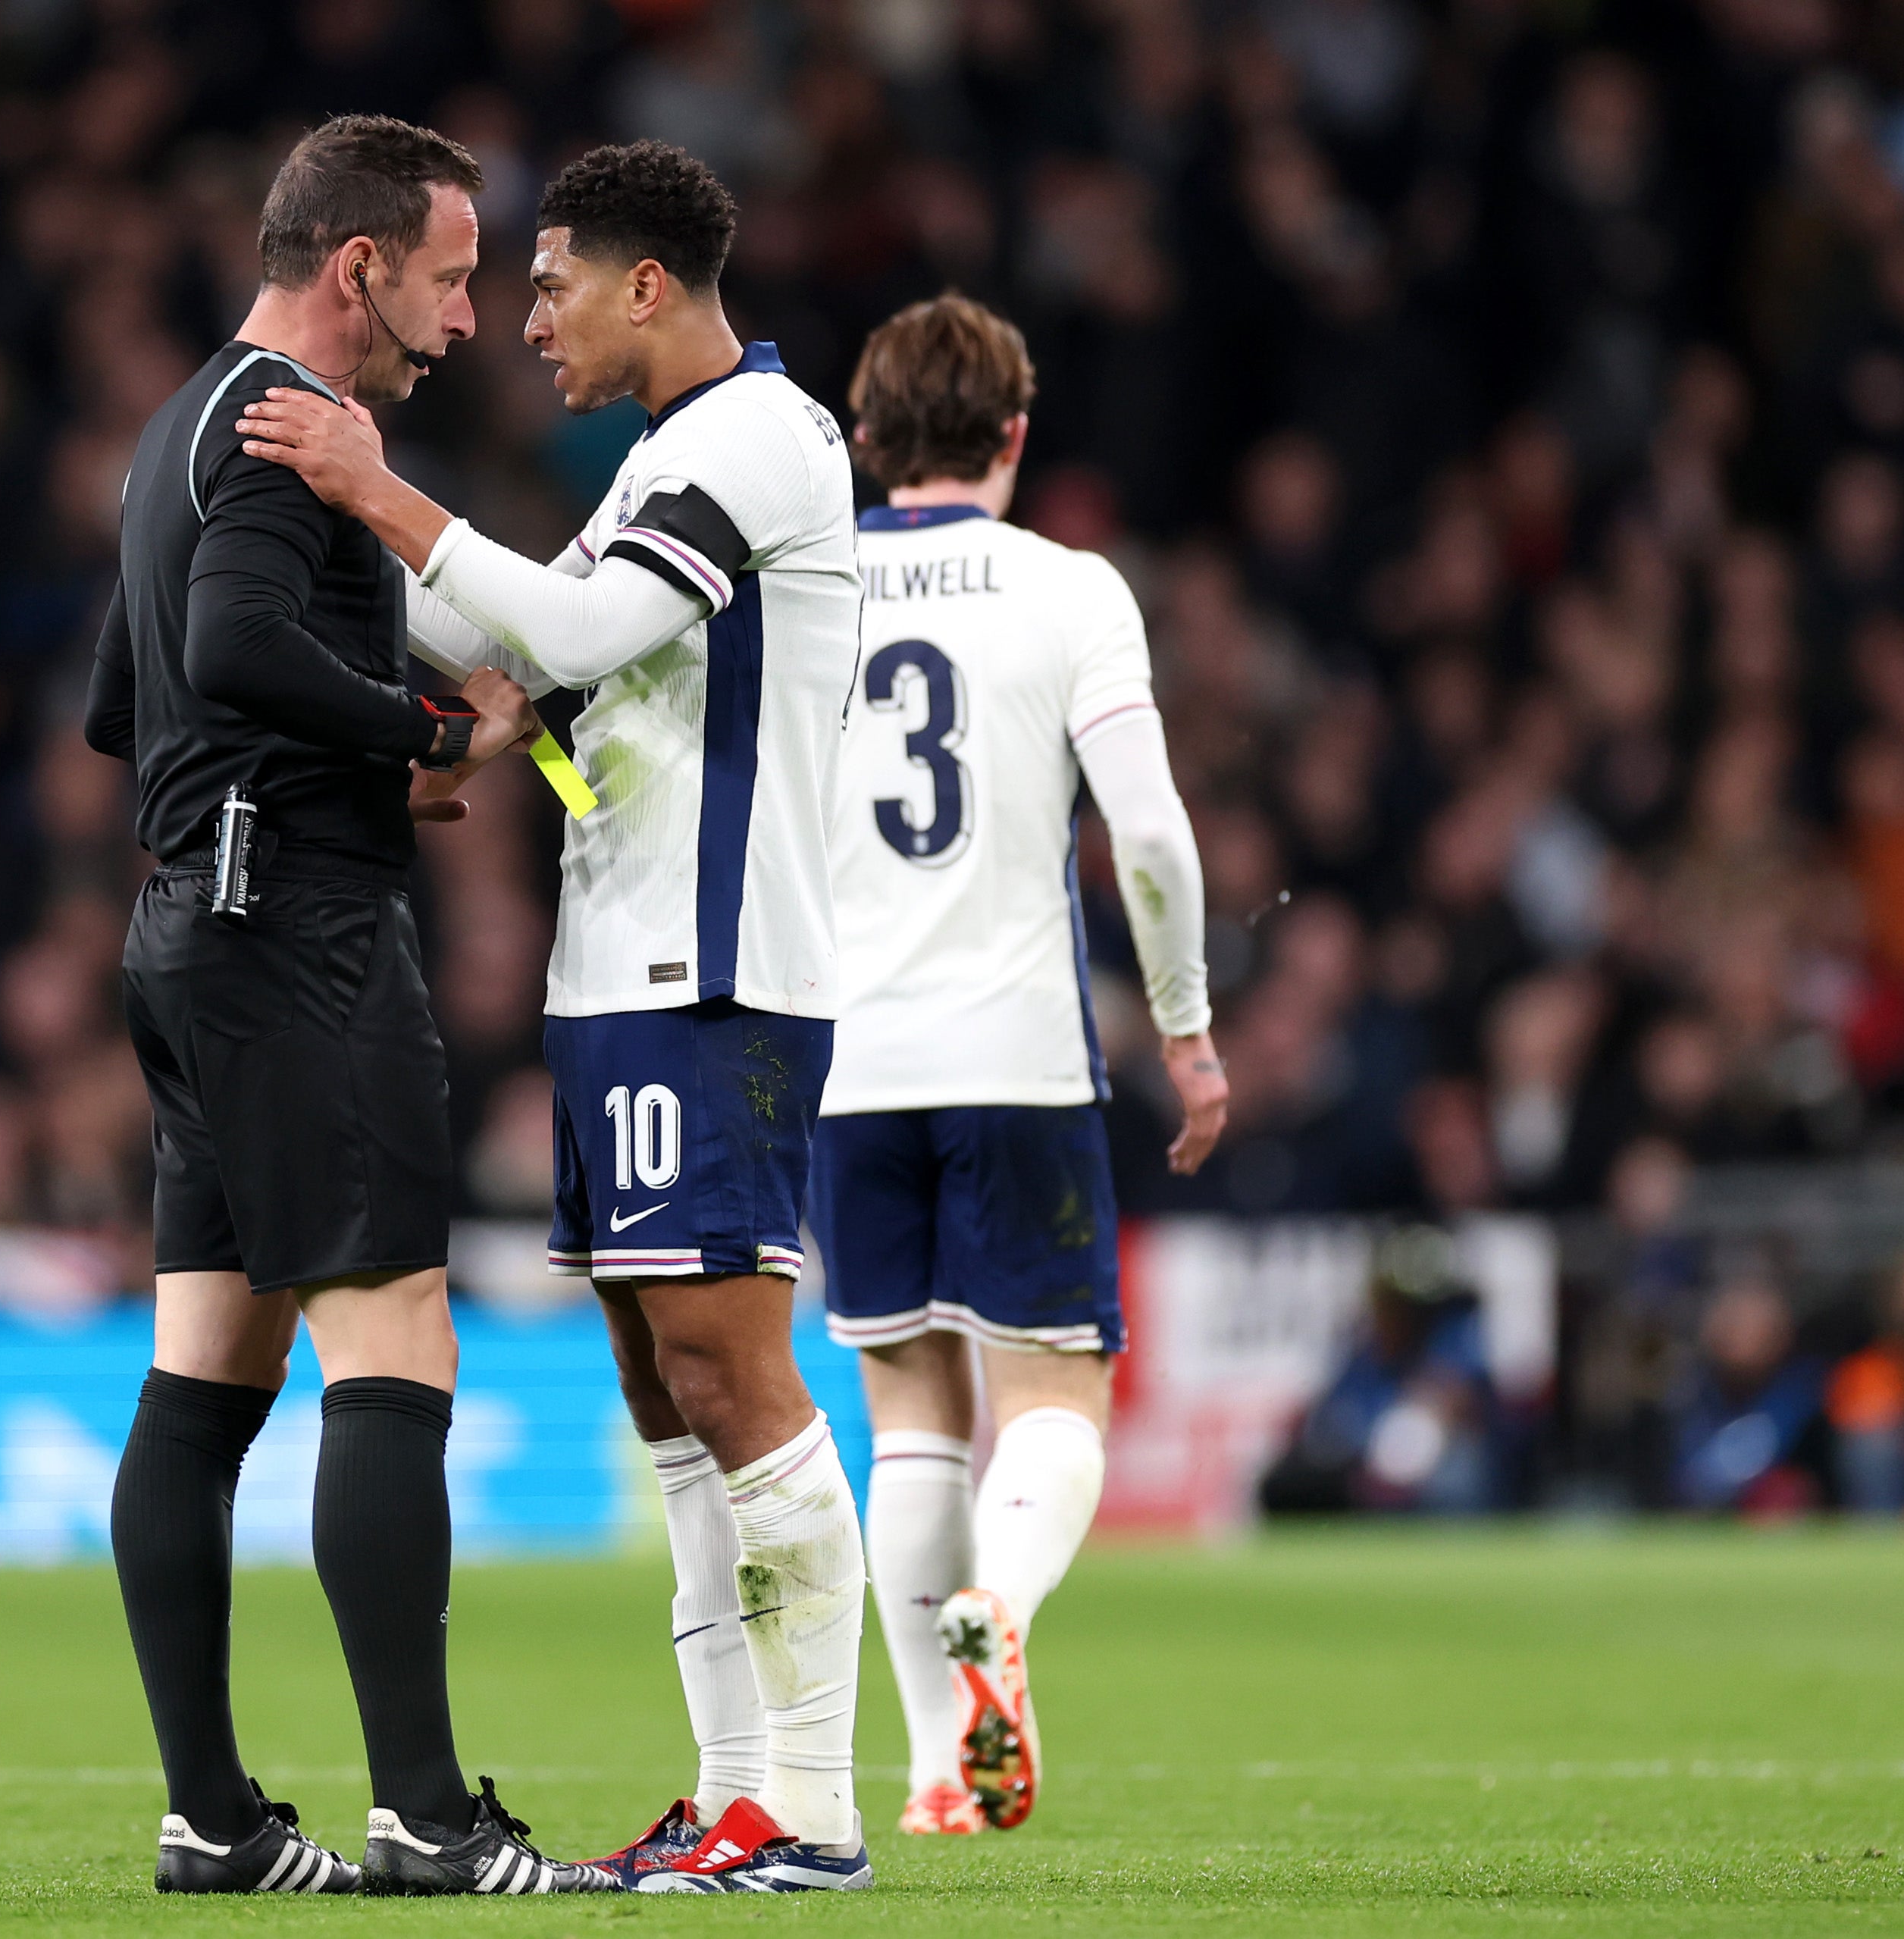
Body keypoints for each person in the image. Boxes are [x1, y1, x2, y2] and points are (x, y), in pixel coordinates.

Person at [237, 139, 870, 1894]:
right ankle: (729, 1790)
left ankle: (808, 1807)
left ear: (646, 286)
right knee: (661, 1390)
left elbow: (579, 617)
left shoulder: (756, 439)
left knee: (731, 1375)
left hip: (714, 972)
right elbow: (522, 643)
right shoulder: (666, 460)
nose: (521, 317)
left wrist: (381, 493)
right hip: (623, 976)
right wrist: (346, 531)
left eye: (550, 282)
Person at [80, 114, 610, 1898]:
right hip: (293, 935)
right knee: (393, 1347)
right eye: (455, 275)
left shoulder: (175, 431)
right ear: (358, 264)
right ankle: (421, 1815)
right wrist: (417, 736)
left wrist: (372, 681)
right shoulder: (282, 433)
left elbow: (124, 694)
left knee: (202, 1378)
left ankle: (212, 1817)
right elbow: (231, 652)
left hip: (186, 927)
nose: (467, 318)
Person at [813, 295, 1226, 1837]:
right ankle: (1002, 1604)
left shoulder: (810, 589)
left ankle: (938, 1770)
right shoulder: (1069, 590)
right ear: (1011, 437)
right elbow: (1153, 834)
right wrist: (1181, 1026)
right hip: (1017, 1052)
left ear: (865, 441)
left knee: (906, 1411)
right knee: (1053, 1396)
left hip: (848, 1056)